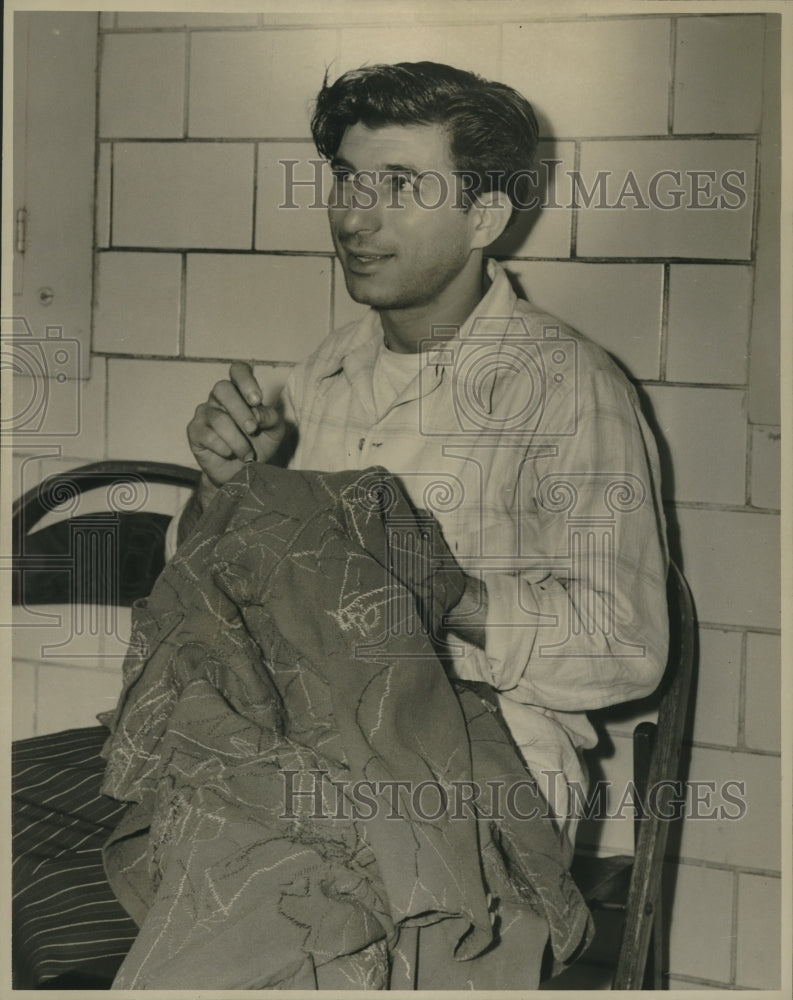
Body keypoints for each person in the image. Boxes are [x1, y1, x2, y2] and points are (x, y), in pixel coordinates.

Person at [179, 61, 669, 855]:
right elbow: (208, 596)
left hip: (484, 772)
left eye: (400, 185)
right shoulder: (324, 372)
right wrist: (227, 490)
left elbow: (623, 648)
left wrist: (439, 588)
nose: (353, 219)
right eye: (345, 180)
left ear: (485, 217)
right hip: (308, 740)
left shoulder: (567, 387)